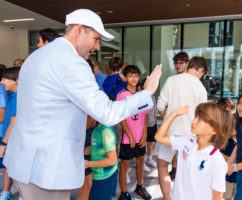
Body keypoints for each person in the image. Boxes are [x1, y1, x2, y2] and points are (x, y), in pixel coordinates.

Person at [3, 9, 162, 200]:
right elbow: (107, 112)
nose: (97, 46)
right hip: (45, 168)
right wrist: (146, 93)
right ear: (79, 30)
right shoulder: (72, 63)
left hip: (24, 162)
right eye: (95, 38)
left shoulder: (36, 56)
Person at [155, 103, 235, 200]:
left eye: (200, 119)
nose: (193, 121)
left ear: (214, 130)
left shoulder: (217, 161)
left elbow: (217, 197)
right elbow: (159, 137)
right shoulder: (186, 141)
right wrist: (173, 114)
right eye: (195, 117)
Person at [157, 56, 208, 200]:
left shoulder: (172, 80)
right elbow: (203, 117)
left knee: (162, 166)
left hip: (169, 133)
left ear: (189, 65)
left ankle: (168, 198)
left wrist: (168, 119)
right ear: (201, 70)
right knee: (185, 169)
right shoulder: (201, 88)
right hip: (190, 136)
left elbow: (160, 105)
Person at [116, 65, 151, 200]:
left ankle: (140, 187)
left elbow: (145, 116)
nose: (134, 78)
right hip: (127, 138)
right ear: (125, 78)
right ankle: (124, 193)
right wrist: (130, 135)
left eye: (136, 76)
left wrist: (144, 135)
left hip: (140, 136)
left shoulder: (142, 95)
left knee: (141, 161)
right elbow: (121, 117)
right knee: (124, 165)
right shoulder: (121, 95)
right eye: (130, 76)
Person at [0, 67, 21, 200]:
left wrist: (3, 143)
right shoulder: (11, 95)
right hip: (10, 138)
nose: (2, 82)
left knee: (15, 167)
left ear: (16, 80)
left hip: (13, 139)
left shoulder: (17, 97)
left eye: (4, 79)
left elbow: (13, 123)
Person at [169, 51, 189, 178]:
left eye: (181, 63)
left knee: (186, 150)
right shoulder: (172, 80)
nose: (178, 65)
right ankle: (174, 169)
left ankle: (184, 171)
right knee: (174, 149)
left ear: (187, 63)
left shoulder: (192, 80)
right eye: (176, 63)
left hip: (188, 121)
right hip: (175, 121)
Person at [85, 122, 118, 200]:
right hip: (99, 175)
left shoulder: (106, 132)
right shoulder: (97, 126)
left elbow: (112, 160)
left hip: (105, 177)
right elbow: (96, 147)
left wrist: (88, 164)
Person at [217, 98, 237, 200]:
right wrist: (230, 158)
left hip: (234, 172)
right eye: (228, 112)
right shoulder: (219, 131)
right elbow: (216, 152)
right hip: (224, 172)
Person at [141, 78, 157, 172]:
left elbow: (154, 110)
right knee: (143, 143)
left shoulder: (153, 97)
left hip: (152, 124)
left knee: (150, 142)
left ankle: (150, 159)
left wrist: (154, 120)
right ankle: (142, 162)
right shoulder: (142, 98)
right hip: (144, 125)